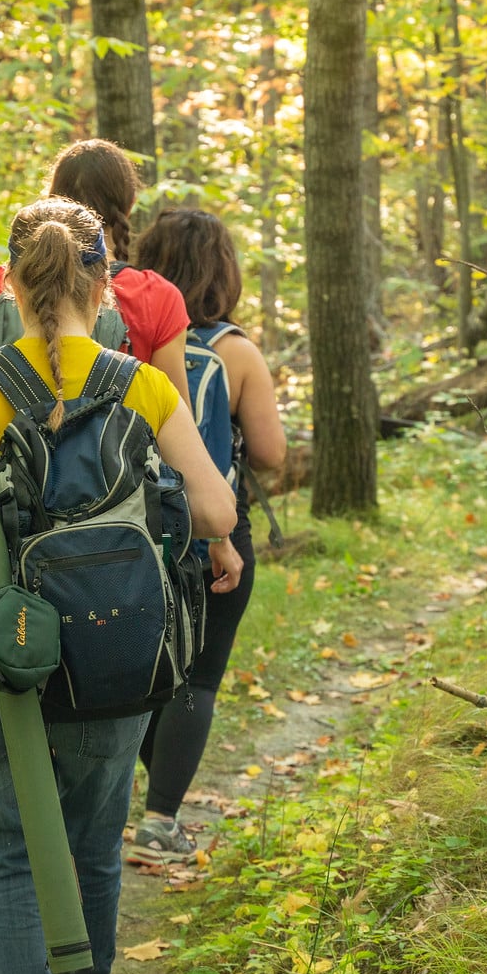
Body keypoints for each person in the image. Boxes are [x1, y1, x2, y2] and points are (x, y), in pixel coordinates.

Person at [0, 198, 241, 974]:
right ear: (104, 282)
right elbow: (217, 510)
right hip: (116, 652)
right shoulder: (142, 384)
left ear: (10, 283)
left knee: (7, 853)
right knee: (93, 833)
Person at [128, 208, 287, 864]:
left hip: (134, 525)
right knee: (200, 677)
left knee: (144, 674)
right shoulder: (236, 351)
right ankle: (161, 819)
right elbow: (273, 453)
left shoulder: (122, 339)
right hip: (217, 527)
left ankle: (146, 790)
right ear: (225, 271)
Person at [0, 139, 191, 403]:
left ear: (51, 201)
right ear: (130, 204)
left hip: (7, 439)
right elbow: (174, 415)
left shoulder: (3, 281)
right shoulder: (158, 296)